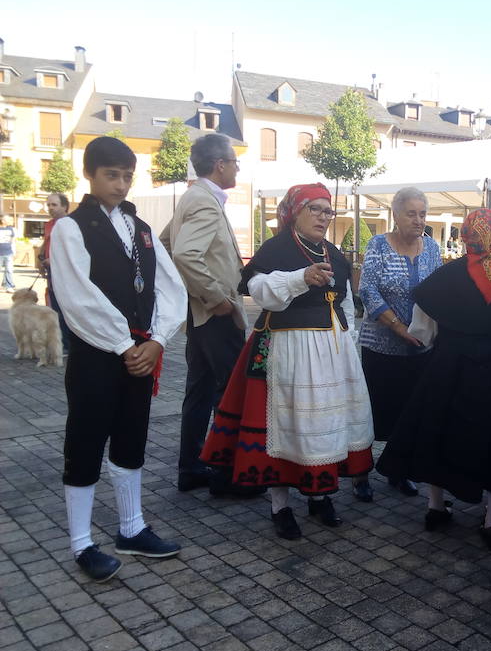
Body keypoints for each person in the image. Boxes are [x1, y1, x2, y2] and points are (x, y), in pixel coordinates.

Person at [201, 183, 374, 539]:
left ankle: (320, 494)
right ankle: (279, 506)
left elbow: (343, 302)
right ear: (296, 211)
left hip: (331, 352)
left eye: (328, 211)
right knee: (282, 426)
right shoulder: (276, 247)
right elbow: (259, 291)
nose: (324, 217)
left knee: (325, 421)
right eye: (316, 209)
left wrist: (347, 338)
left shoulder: (334, 253)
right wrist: (300, 278)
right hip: (287, 348)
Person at [49, 136, 187, 582]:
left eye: (128, 176)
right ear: (90, 174)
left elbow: (169, 286)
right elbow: (76, 296)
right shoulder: (72, 228)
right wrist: (124, 344)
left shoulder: (142, 228)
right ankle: (82, 543)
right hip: (97, 356)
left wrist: (159, 340)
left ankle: (131, 528)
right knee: (86, 441)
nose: (121, 184)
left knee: (131, 437)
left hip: (142, 354)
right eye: (112, 175)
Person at [376, 209, 491, 551]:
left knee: (439, 431)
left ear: (465, 237)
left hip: (449, 367)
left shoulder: (443, 279)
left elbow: (422, 332)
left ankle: (435, 506)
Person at [160, 134, 251, 495]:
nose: (237, 167)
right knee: (228, 392)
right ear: (220, 165)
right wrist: (215, 297)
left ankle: (191, 467)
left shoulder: (194, 197)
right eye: (234, 161)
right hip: (215, 314)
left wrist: (190, 294)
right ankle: (226, 476)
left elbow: (167, 244)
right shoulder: (204, 202)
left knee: (198, 390)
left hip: (200, 313)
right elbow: (184, 254)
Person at [358, 187, 442, 499]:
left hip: (420, 346)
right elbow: (367, 290)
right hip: (381, 345)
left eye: (422, 213)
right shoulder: (378, 244)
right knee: (372, 410)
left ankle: (398, 470)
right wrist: (397, 326)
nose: (418, 220)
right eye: (411, 213)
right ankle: (360, 474)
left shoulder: (432, 247)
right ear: (396, 215)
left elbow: (438, 290)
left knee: (409, 412)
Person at [38, 194, 72, 353]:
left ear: (65, 207)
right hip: (53, 272)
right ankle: (63, 342)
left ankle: (69, 344)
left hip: (66, 274)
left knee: (66, 308)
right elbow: (47, 243)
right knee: (56, 308)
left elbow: (71, 250)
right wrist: (41, 259)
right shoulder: (49, 224)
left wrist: (53, 260)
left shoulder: (70, 224)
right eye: (48, 205)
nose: (50, 208)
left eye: (54, 205)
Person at [0, 214, 16, 293]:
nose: (9, 221)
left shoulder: (10, 229)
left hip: (8, 252)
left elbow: (13, 241)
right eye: (7, 219)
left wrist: (14, 251)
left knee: (9, 270)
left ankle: (8, 286)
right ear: (3, 221)